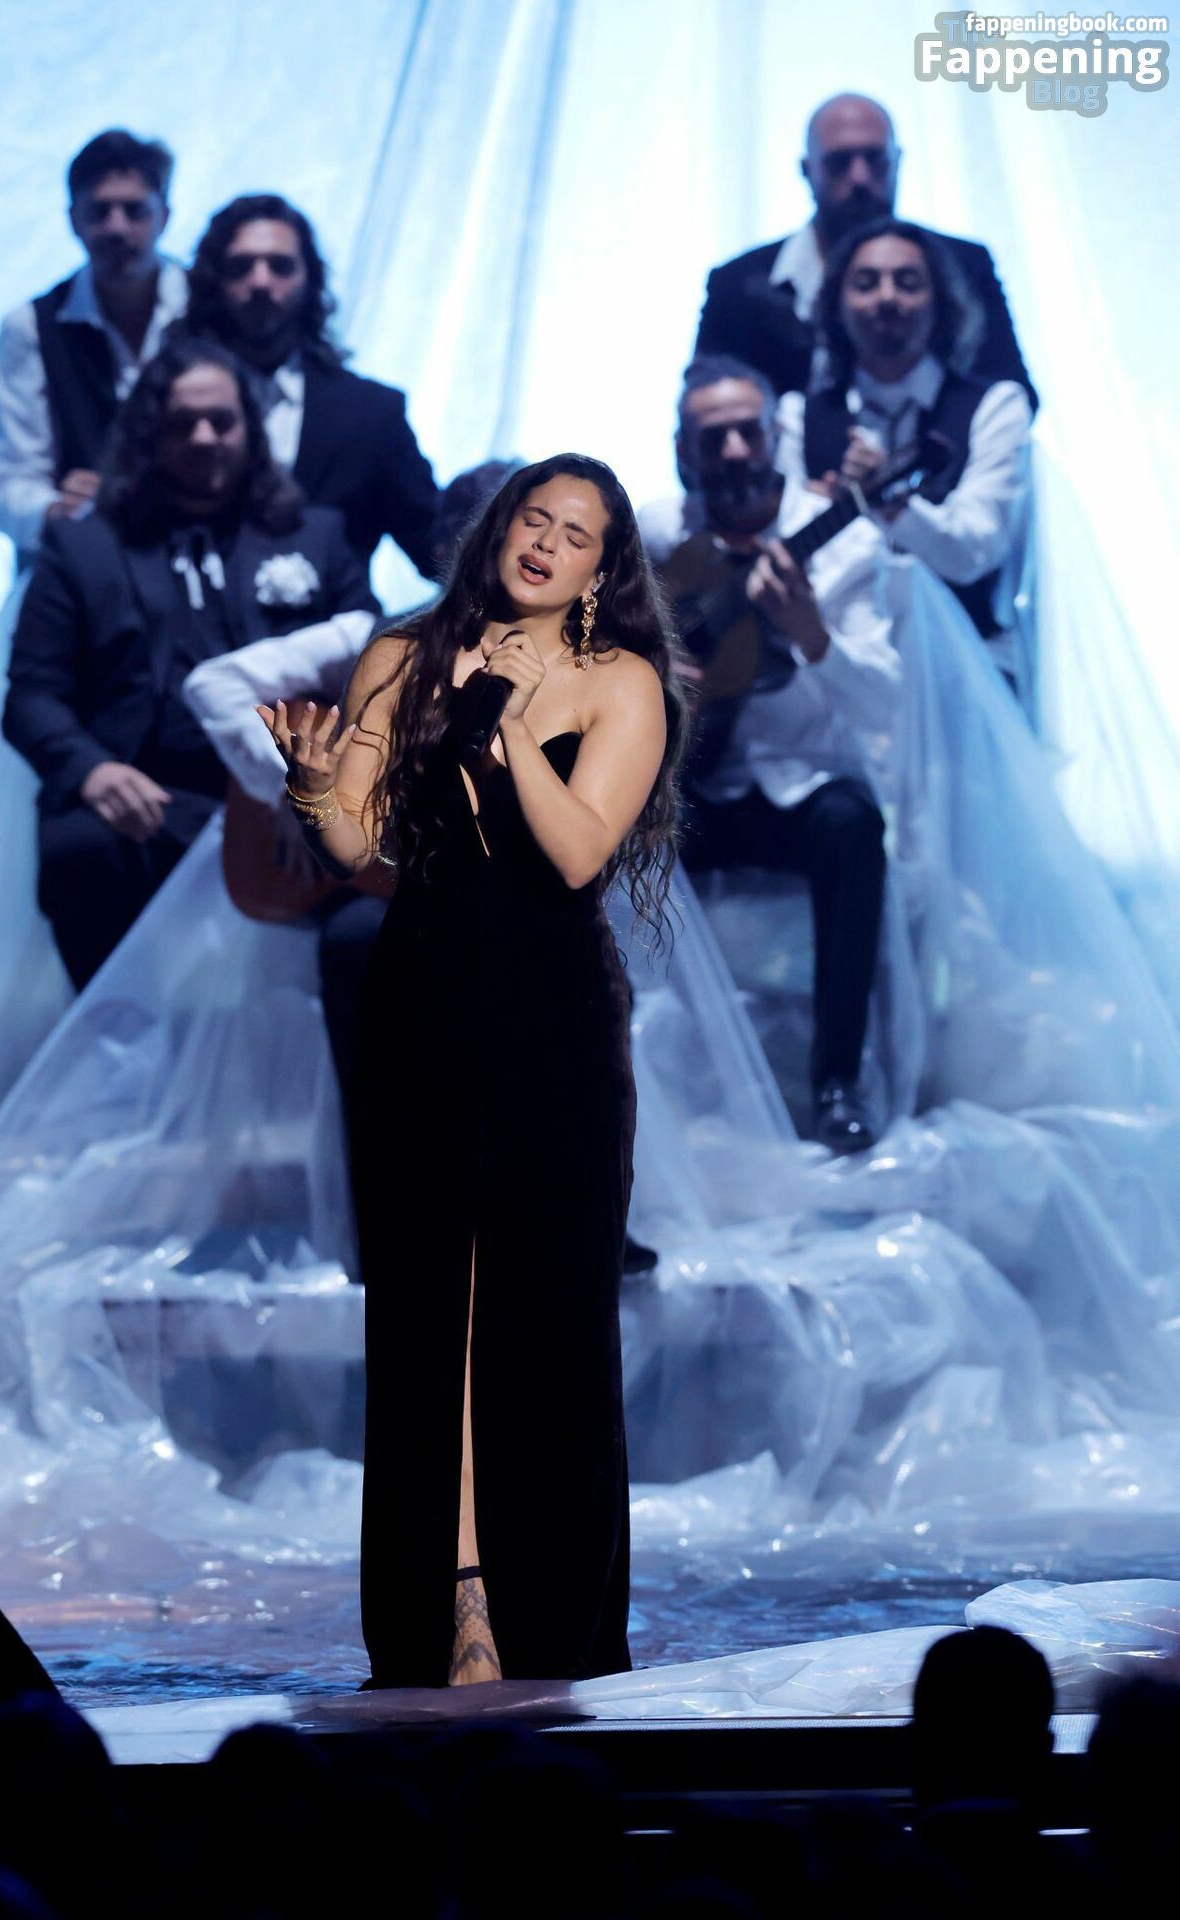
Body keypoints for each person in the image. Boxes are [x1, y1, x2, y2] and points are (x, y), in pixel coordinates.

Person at [257, 455, 686, 1687]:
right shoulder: (402, 656)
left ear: (600, 571)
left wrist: (504, 726)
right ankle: (449, 1607)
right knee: (424, 1306)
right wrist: (310, 782)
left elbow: (575, 853)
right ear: (496, 531)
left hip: (555, 1016)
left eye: (574, 535)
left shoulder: (620, 683)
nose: (544, 544)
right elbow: (355, 844)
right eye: (530, 520)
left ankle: (545, 1611)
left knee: (545, 1308)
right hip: (423, 1000)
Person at [2, 336, 375, 990]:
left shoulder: (315, 535)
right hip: (153, 794)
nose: (204, 437)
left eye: (221, 421)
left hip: (286, 790)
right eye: (183, 423)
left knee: (376, 904)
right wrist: (92, 771)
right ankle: (119, 1044)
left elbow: (377, 673)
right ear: (151, 432)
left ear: (250, 428)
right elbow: (31, 695)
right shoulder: (85, 546)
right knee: (78, 847)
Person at [641, 356, 897, 1153]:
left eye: (748, 433)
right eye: (713, 438)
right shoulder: (655, 534)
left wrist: (812, 634)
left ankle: (837, 1083)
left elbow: (886, 700)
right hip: (690, 787)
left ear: (774, 438)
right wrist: (648, 670)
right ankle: (620, 1091)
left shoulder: (844, 542)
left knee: (854, 828)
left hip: (800, 784)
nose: (734, 451)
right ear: (684, 451)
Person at [784, 216, 1033, 678]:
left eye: (908, 282)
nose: (887, 298)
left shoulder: (995, 407)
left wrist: (894, 506)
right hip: (840, 674)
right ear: (836, 304)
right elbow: (788, 556)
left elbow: (974, 552)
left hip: (968, 667)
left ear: (940, 301)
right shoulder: (798, 416)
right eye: (865, 284)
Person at [695, 93, 1036, 410]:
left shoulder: (966, 265)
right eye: (839, 162)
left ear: (897, 162)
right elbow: (703, 414)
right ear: (807, 169)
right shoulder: (736, 285)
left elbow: (1010, 396)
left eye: (875, 159)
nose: (859, 177)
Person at [181, 193, 441, 582]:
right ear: (213, 280)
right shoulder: (170, 404)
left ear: (310, 279)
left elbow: (436, 549)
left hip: (338, 619)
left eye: (280, 266)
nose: (261, 281)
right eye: (240, 266)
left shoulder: (372, 413)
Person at [0, 129, 187, 561]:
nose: (116, 228)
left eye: (134, 210)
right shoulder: (31, 327)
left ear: (164, 216)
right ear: (73, 219)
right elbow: (11, 480)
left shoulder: (208, 309)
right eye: (99, 211)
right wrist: (57, 510)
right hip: (85, 565)